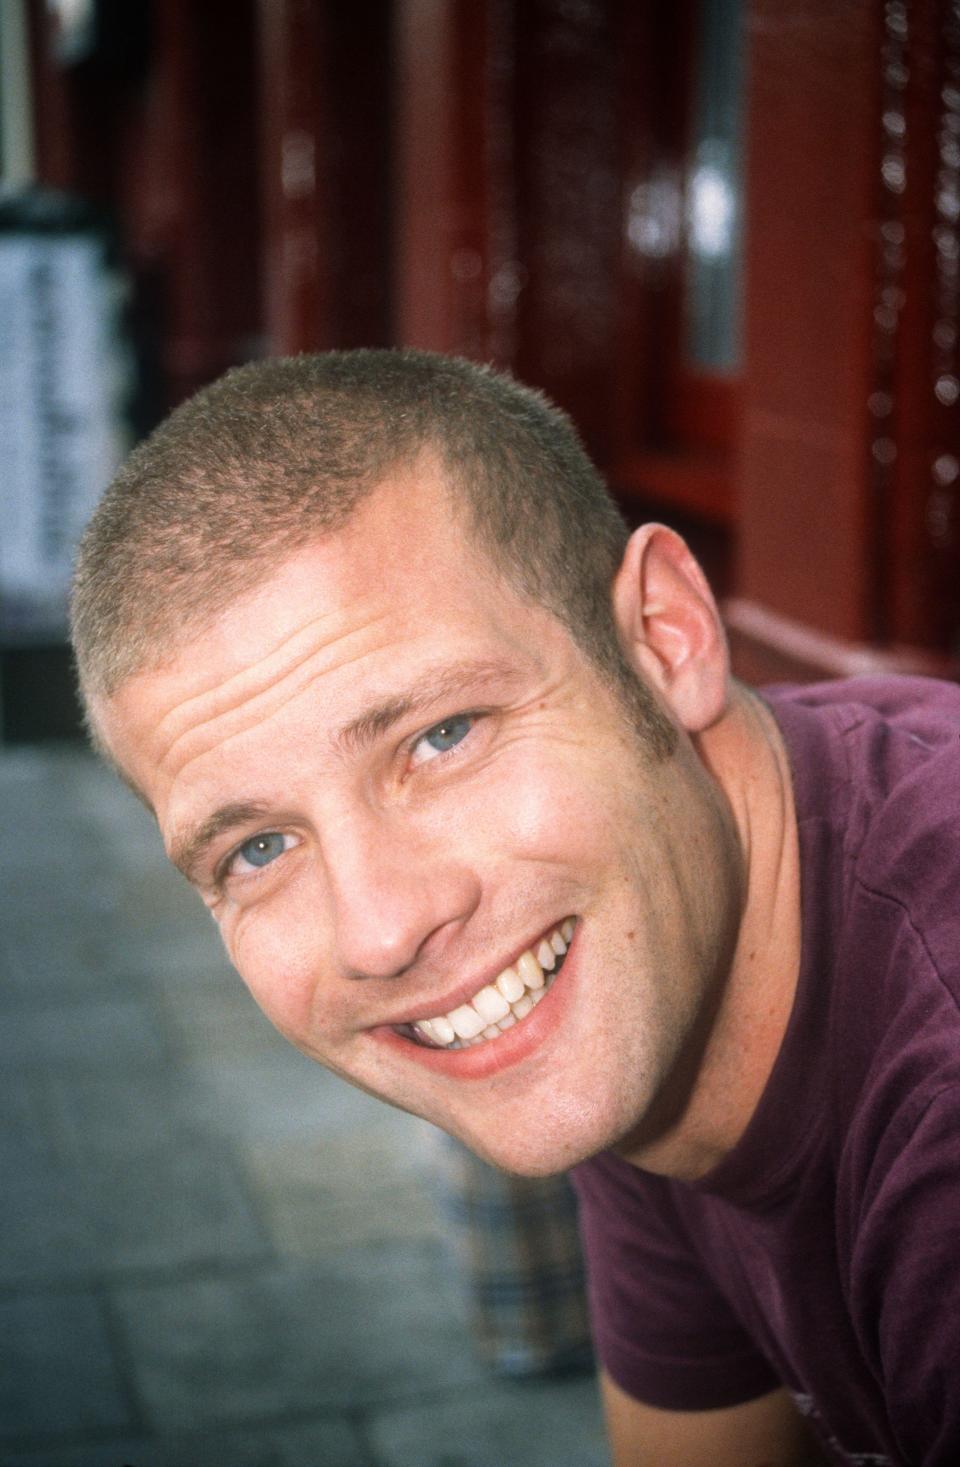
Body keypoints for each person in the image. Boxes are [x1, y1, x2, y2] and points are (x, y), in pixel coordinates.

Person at [70, 349, 960, 1467]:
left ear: (661, 639)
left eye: (442, 737)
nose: (383, 927)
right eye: (258, 847)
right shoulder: (642, 951)